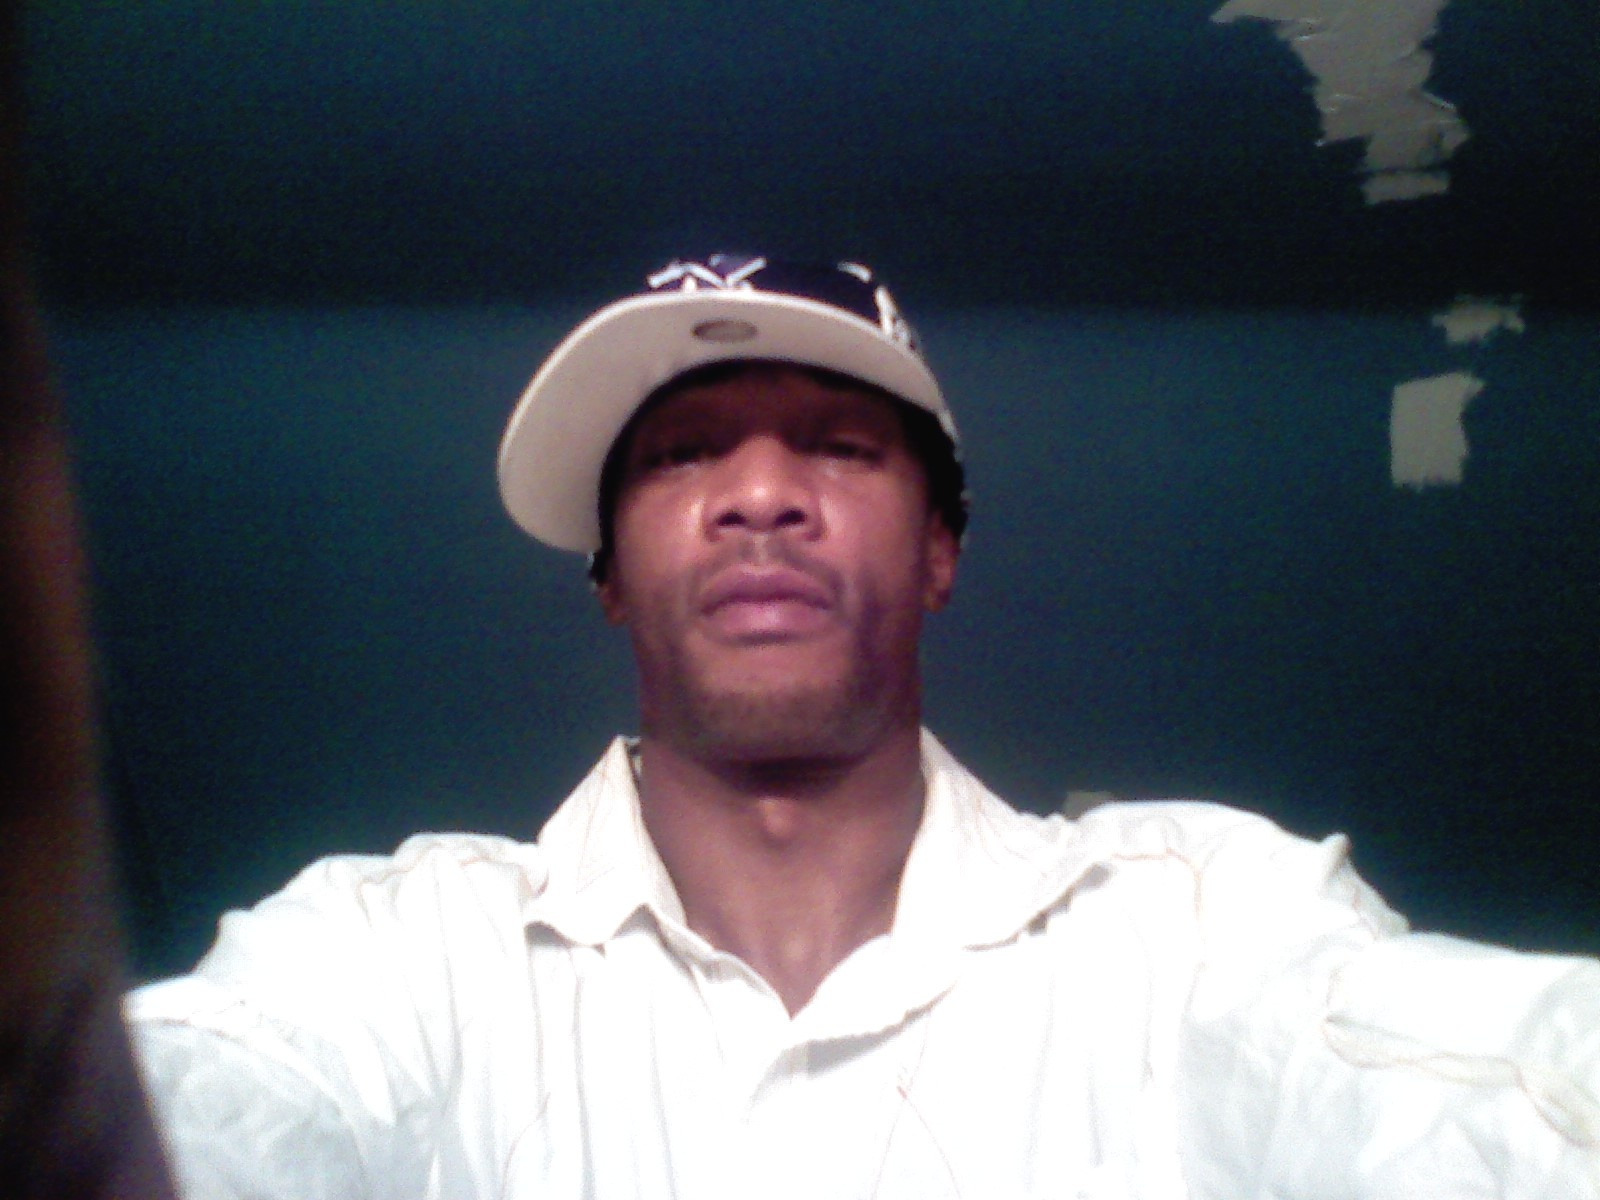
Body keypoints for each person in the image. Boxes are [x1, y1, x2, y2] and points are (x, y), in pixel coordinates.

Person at [125, 255, 1599, 1198]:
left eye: (837, 447)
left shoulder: (1199, 928)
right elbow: (198, 1105)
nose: (761, 495)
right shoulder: (395, 960)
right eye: (683, 456)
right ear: (609, 579)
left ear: (941, 551)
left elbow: (1480, 1077)